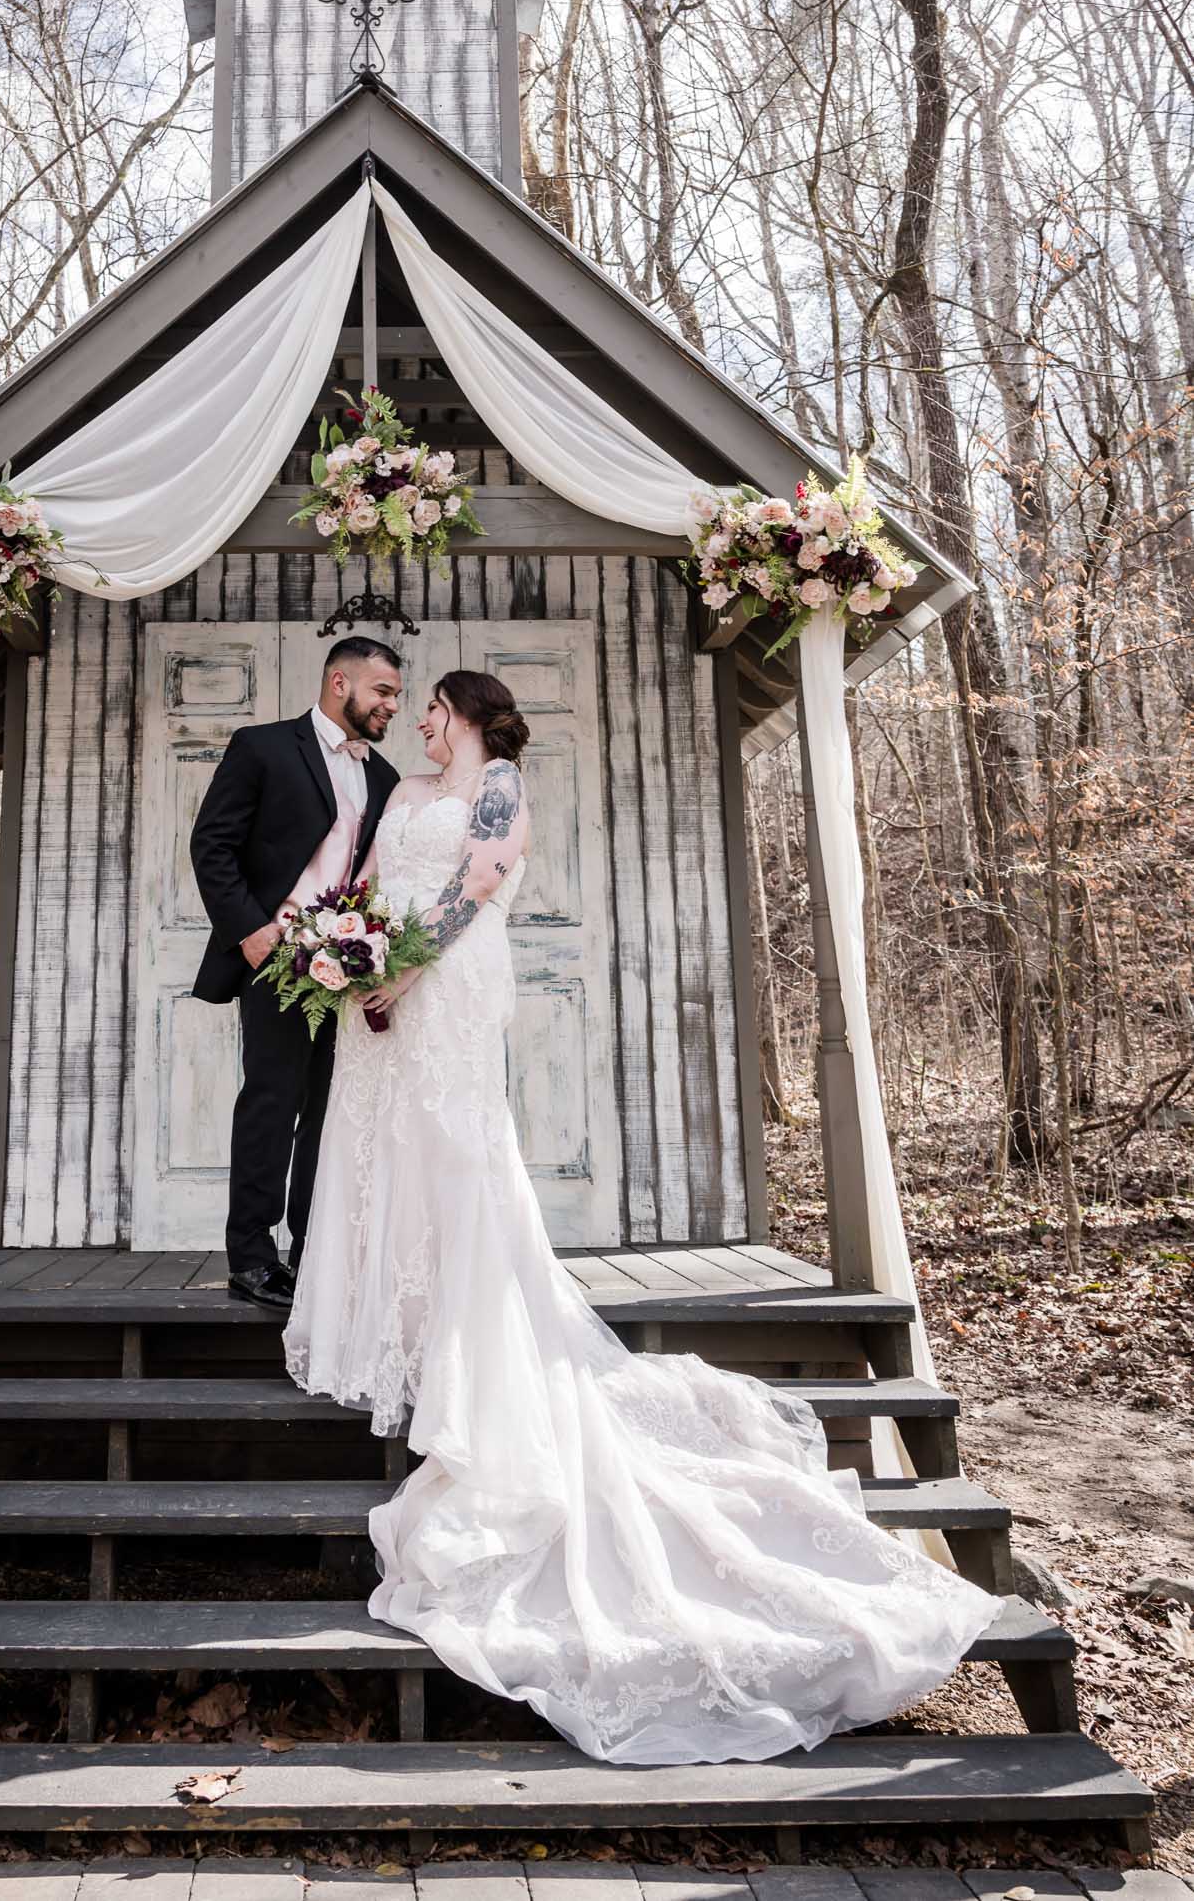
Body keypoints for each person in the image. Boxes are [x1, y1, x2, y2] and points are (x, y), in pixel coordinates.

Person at [285, 667, 1001, 1765]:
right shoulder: (398, 795)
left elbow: (475, 886)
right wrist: (346, 952)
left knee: (460, 1157)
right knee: (390, 1153)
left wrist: (400, 969)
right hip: (382, 995)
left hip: (452, 986)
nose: (421, 721)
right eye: (417, 708)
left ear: (469, 716)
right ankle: (404, 1312)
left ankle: (472, 1332)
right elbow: (373, 879)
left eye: (434, 708)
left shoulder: (498, 785)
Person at [190, 636, 402, 1306]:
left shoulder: (384, 777)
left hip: (345, 961)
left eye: (395, 695)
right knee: (271, 1103)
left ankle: (313, 1253)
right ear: (339, 683)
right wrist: (251, 933)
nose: (390, 706)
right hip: (274, 956)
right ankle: (250, 1259)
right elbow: (212, 845)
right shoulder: (263, 747)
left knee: (329, 1113)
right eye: (382, 692)